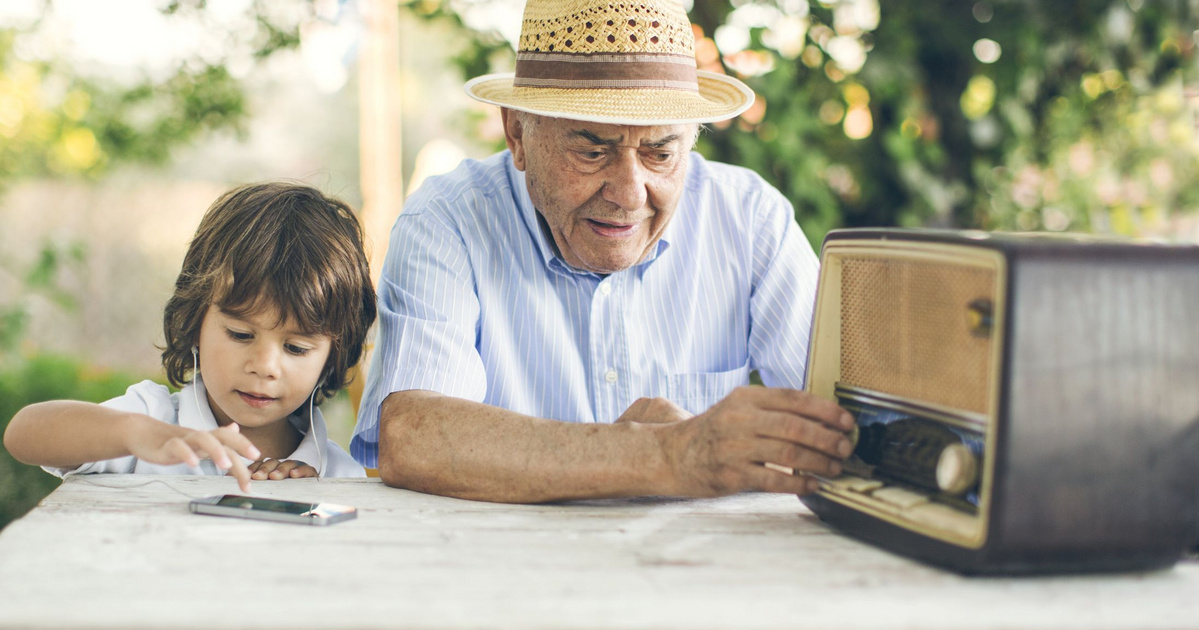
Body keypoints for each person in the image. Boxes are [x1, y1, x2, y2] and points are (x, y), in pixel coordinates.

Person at [352, 0, 856, 502]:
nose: (630, 195)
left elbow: (853, 425)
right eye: (593, 151)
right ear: (517, 133)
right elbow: (413, 437)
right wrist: (665, 455)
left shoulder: (751, 218)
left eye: (661, 152)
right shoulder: (448, 219)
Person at [5, 183, 378, 491]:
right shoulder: (154, 421)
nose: (264, 366)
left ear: (333, 355)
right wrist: (136, 433)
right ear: (194, 320)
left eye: (296, 348)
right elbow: (23, 434)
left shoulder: (342, 476)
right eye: (240, 334)